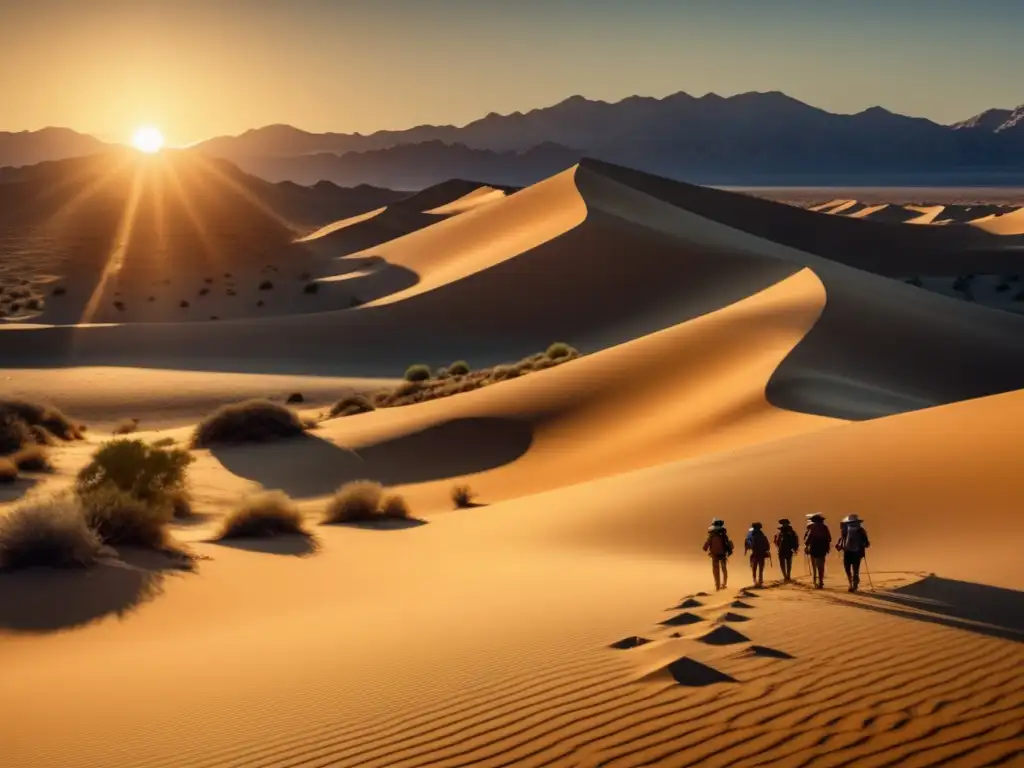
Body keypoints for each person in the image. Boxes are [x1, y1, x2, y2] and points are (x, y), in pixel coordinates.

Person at [836, 514, 871, 592]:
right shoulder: (861, 530)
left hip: (847, 552)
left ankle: (850, 584)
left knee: (847, 568)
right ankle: (855, 583)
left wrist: (839, 546)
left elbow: (841, 541)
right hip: (857, 553)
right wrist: (863, 546)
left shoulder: (845, 530)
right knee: (856, 569)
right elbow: (867, 543)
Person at [702, 518, 733, 591]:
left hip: (714, 555)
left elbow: (705, 546)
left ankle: (717, 585)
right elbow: (729, 544)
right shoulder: (723, 534)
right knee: (724, 569)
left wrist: (705, 548)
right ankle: (724, 584)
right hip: (722, 554)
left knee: (715, 570)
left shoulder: (711, 535)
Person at [804, 513, 832, 589]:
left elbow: (808, 539)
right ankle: (821, 581)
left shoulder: (812, 528)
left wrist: (806, 546)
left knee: (814, 565)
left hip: (814, 548)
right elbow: (829, 538)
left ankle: (815, 579)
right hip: (823, 549)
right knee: (821, 566)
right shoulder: (825, 527)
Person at [774, 518, 800, 582]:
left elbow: (776, 541)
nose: (783, 525)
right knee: (785, 563)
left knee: (786, 564)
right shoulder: (789, 532)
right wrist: (795, 548)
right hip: (784, 550)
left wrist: (795, 548)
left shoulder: (783, 532)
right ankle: (786, 576)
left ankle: (787, 576)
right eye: (783, 524)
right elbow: (776, 541)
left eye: (784, 523)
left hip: (786, 550)